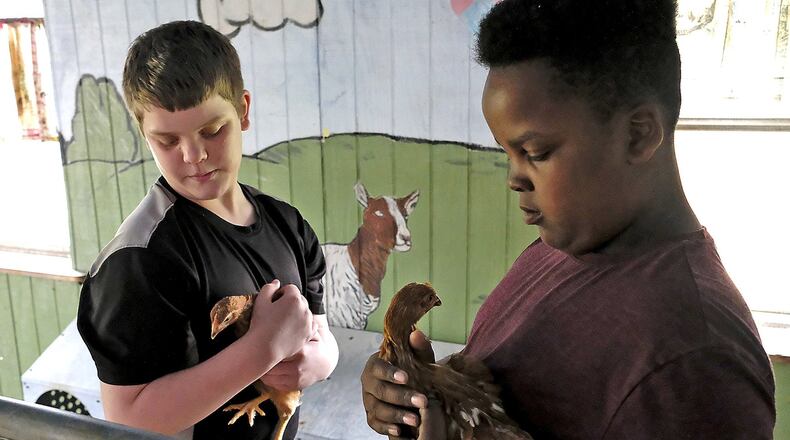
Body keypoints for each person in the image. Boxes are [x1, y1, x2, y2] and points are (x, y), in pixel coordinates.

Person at [361, 1, 776, 439]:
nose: (514, 178)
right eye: (507, 153)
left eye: (535, 152)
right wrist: (423, 389)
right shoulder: (556, 251)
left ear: (638, 134)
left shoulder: (695, 365)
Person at [77, 20, 338, 440]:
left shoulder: (287, 224)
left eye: (212, 131)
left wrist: (320, 359)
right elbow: (128, 419)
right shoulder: (139, 260)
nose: (194, 155)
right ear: (144, 134)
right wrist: (263, 349)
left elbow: (321, 331)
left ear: (243, 111)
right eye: (167, 141)